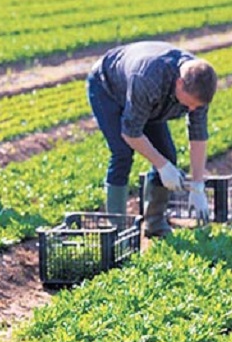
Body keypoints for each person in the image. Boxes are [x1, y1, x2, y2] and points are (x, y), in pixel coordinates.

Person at [86, 41, 217, 236]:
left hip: (151, 101)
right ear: (179, 83)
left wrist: (198, 185)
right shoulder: (148, 78)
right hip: (108, 88)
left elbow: (197, 134)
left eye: (195, 107)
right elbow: (130, 132)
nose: (191, 110)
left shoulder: (199, 85)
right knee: (122, 153)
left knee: (168, 154)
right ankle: (116, 230)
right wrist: (162, 166)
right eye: (189, 104)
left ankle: (154, 224)